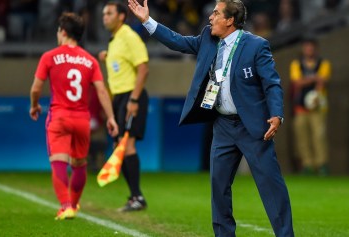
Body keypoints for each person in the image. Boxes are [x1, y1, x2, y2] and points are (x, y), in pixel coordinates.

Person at [128, 0, 294, 236]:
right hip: (223, 126)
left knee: (270, 185)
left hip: (253, 127)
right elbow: (179, 42)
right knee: (218, 186)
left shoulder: (257, 46)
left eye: (216, 13)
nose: (210, 17)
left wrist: (276, 114)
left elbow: (272, 84)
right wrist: (147, 21)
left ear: (229, 20)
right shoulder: (208, 38)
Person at [29, 12, 118, 220]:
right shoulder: (90, 60)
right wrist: (111, 117)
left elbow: (35, 89)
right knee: (79, 163)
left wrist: (34, 105)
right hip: (81, 120)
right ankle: (75, 205)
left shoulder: (49, 57)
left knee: (59, 162)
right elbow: (102, 91)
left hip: (59, 117)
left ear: (62, 32)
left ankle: (66, 205)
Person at [99, 1, 149, 212]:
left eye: (109, 13)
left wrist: (134, 100)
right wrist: (107, 56)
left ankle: (137, 197)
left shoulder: (129, 35)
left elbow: (143, 68)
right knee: (118, 146)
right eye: (103, 14)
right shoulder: (114, 40)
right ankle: (134, 197)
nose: (105, 17)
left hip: (131, 97)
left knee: (127, 146)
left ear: (121, 16)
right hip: (119, 98)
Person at [289, 37, 331, 175]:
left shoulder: (323, 63)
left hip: (318, 107)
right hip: (300, 107)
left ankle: (321, 164)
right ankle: (307, 164)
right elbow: (297, 82)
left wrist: (309, 80)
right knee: (302, 136)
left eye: (312, 47)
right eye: (307, 47)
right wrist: (314, 78)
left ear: (316, 48)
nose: (309, 49)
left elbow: (323, 81)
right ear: (303, 49)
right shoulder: (296, 64)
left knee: (319, 135)